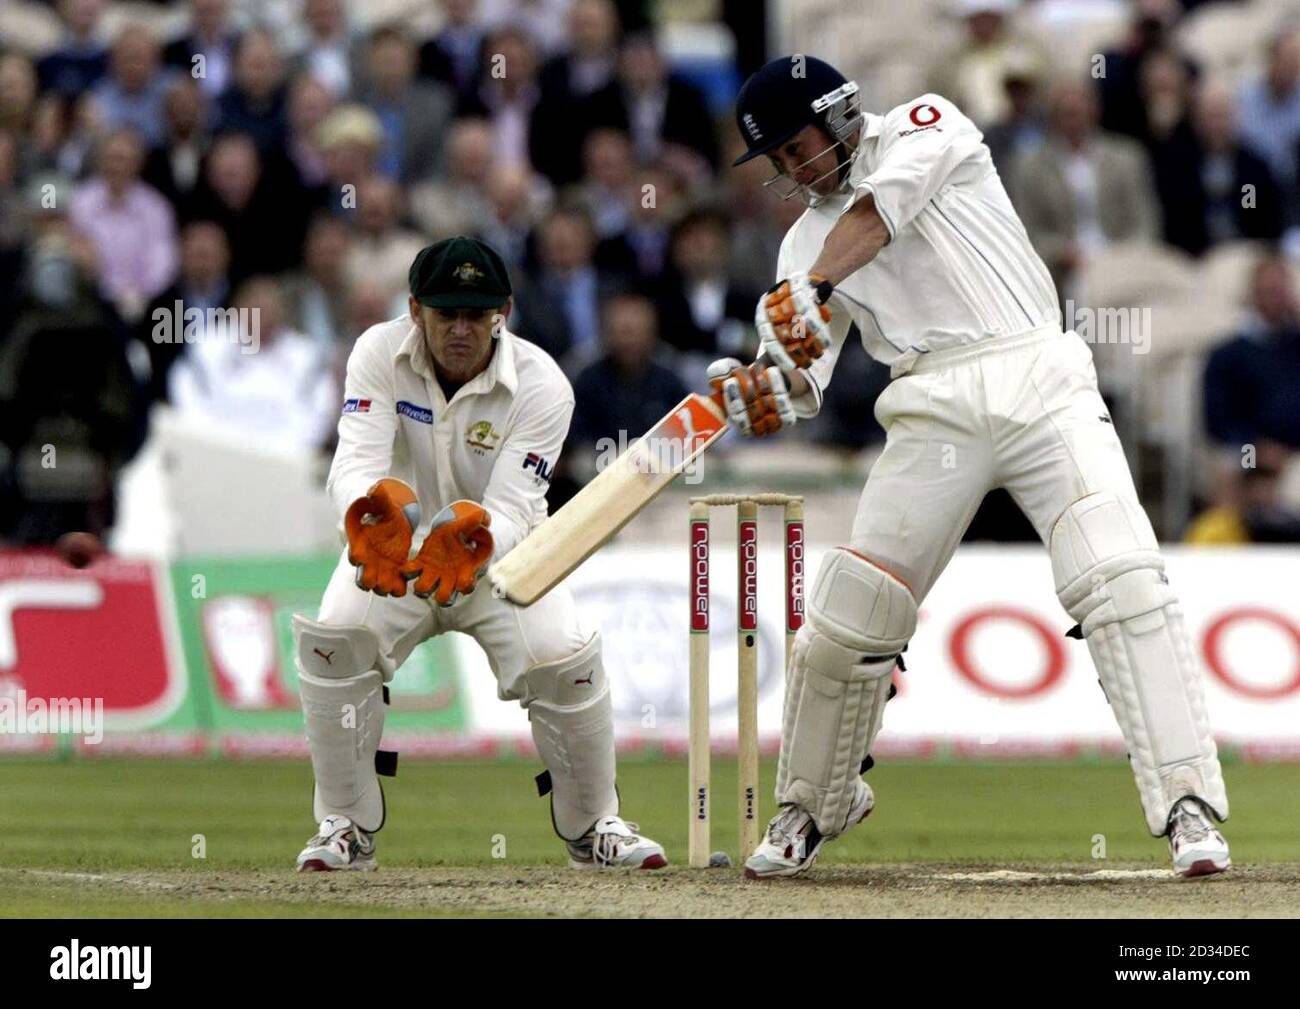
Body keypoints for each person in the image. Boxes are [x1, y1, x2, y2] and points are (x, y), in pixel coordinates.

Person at [712, 55, 1230, 880]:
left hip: (1040, 379)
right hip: (928, 406)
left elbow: (881, 215)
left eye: (793, 146)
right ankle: (812, 804)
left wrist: (811, 285)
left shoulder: (928, 123)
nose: (787, 169)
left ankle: (1187, 803)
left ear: (842, 117)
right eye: (772, 159)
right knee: (851, 615)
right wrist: (761, 390)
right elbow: (800, 372)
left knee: (1121, 579)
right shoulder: (801, 241)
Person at [293, 236, 665, 872]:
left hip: (499, 559)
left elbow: (518, 505)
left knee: (563, 661)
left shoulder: (544, 385)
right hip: (397, 556)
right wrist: (368, 514)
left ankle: (595, 824)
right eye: (446, 315)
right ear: (415, 310)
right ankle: (345, 825)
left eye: (477, 315)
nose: (461, 330)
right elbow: (354, 460)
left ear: (505, 312)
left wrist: (475, 531)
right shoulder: (377, 354)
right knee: (334, 641)